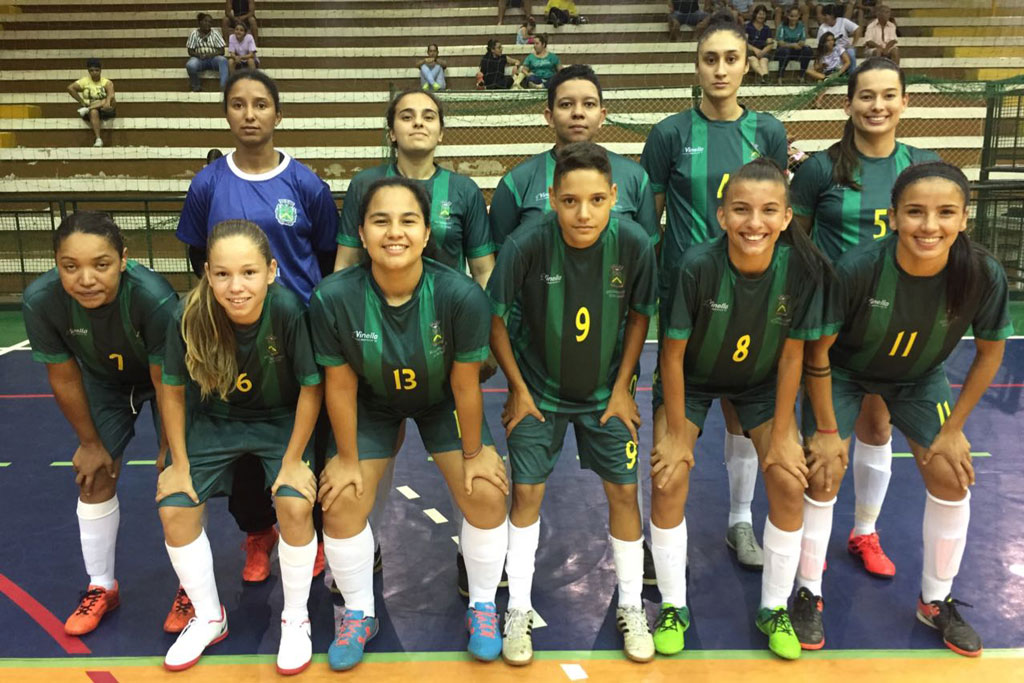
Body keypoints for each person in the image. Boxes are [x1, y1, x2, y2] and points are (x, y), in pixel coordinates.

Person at [794, 161, 1010, 657]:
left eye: (945, 213)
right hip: (845, 372)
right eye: (915, 212)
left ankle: (935, 600)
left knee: (952, 476)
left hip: (919, 378)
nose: (929, 226)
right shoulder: (858, 268)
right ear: (892, 217)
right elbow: (818, 352)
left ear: (964, 218)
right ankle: (808, 591)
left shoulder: (981, 273)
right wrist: (827, 429)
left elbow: (991, 352)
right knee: (822, 471)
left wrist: (954, 428)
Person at [310, 177, 510, 670]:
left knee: (485, 490)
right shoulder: (333, 298)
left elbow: (466, 384)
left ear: (425, 234)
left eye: (408, 221)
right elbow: (339, 386)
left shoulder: (460, 295)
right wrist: (348, 460)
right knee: (340, 501)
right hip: (372, 404)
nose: (393, 232)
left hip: (442, 399)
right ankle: (359, 613)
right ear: (360, 231)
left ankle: (483, 605)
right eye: (380, 220)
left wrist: (473, 453)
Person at [650, 158, 832, 659]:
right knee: (669, 474)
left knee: (789, 476)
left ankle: (773, 606)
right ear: (722, 216)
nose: (755, 222)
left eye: (769, 210)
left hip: (759, 383)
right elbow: (672, 353)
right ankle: (672, 605)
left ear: (787, 217)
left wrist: (782, 435)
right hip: (691, 380)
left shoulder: (801, 271)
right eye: (742, 210)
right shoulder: (696, 265)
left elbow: (794, 355)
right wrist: (673, 435)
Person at [174, 69, 338, 623]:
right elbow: (198, 257)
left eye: (260, 104)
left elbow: (323, 252)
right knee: (242, 443)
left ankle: (306, 533)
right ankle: (257, 534)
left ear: (277, 114)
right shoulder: (207, 184)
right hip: (232, 333)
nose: (249, 114)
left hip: (295, 332)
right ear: (227, 114)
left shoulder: (307, 185)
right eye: (238, 104)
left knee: (300, 439)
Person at [489, 142, 658, 665]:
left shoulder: (633, 243)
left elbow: (638, 315)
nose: (583, 213)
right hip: (538, 393)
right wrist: (517, 388)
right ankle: (517, 607)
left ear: (612, 197)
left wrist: (626, 385)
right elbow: (494, 318)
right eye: (569, 201)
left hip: (605, 396)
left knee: (625, 495)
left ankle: (630, 602)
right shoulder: (526, 243)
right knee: (527, 496)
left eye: (595, 200)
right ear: (552, 199)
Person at [334, 88, 497, 595]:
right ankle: (366, 544)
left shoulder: (464, 190)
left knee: (472, 471)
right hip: (376, 346)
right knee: (372, 459)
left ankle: (474, 560)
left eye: (429, 116)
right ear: (391, 129)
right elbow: (344, 266)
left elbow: (484, 270)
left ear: (442, 130)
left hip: (446, 351)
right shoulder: (365, 184)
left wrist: (475, 338)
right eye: (407, 116)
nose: (418, 124)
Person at [642, 11, 789, 572]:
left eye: (731, 58)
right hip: (686, 298)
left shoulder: (767, 131)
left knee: (741, 411)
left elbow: (771, 210)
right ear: (696, 66)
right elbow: (648, 220)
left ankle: (739, 521)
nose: (721, 69)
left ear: (747, 63)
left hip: (752, 293)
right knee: (673, 423)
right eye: (710, 59)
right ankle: (662, 539)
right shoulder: (670, 134)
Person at [790, 57, 940, 579]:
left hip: (899, 322)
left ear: (905, 101)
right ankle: (809, 563)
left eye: (888, 95)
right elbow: (799, 244)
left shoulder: (921, 166)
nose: (877, 105)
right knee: (825, 446)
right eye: (866, 96)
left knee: (878, 426)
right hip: (835, 327)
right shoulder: (820, 169)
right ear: (848, 103)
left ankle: (865, 532)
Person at [157, 221, 321, 674]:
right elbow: (171, 389)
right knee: (174, 505)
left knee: (293, 502)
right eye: (223, 274)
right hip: (216, 421)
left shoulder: (288, 310)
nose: (236, 287)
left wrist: (291, 461)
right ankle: (210, 615)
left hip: (279, 421)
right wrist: (179, 462)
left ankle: (295, 617)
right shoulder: (188, 315)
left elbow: (312, 387)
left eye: (248, 273)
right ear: (207, 274)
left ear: (271, 271)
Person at [22, 212, 178, 637]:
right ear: (56, 263)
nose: (85, 278)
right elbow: (64, 375)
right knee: (93, 477)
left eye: (101, 264)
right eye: (70, 266)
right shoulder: (41, 301)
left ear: (124, 260)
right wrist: (89, 442)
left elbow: (166, 381)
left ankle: (190, 587)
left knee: (179, 479)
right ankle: (102, 586)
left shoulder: (154, 298)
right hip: (103, 384)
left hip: (165, 378)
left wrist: (171, 451)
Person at [490, 64, 658, 247]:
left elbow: (648, 251)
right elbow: (501, 256)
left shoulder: (635, 176)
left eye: (589, 104)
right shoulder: (517, 181)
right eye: (566, 104)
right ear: (550, 116)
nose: (578, 113)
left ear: (602, 116)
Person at [67, 58, 116, 148]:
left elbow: (111, 94)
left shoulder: (107, 82)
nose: (94, 72)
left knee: (110, 99)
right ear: (88, 71)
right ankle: (98, 139)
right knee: (93, 111)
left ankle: (87, 109)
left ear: (100, 70)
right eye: (91, 70)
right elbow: (70, 88)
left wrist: (107, 102)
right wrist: (81, 101)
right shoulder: (85, 81)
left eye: (97, 70)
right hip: (92, 108)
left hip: (105, 108)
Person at [186, 13, 229, 93]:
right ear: (200, 22)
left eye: (210, 22)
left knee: (223, 60)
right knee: (190, 65)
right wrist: (199, 55)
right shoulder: (194, 34)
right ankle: (196, 86)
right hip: (199, 60)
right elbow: (190, 51)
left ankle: (224, 87)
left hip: (213, 59)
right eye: (205, 21)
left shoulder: (215, 33)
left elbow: (222, 51)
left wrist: (210, 55)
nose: (208, 24)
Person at [775, 5, 813, 83]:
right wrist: (792, 45)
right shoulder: (782, 26)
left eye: (796, 16)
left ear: (799, 16)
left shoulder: (801, 26)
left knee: (808, 50)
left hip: (796, 51)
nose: (794, 18)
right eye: (791, 16)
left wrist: (800, 44)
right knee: (785, 51)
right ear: (788, 16)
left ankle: (801, 75)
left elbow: (802, 40)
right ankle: (780, 76)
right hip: (783, 52)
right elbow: (781, 43)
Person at [817, 3, 860, 72]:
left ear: (832, 15)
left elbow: (857, 29)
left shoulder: (843, 21)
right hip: (831, 51)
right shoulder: (822, 27)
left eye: (825, 15)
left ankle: (852, 75)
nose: (823, 17)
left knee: (851, 52)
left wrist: (853, 44)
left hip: (845, 48)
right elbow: (820, 44)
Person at [745, 5, 775, 83]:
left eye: (763, 14)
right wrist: (756, 50)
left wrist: (763, 52)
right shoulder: (748, 27)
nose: (761, 16)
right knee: (753, 59)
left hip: (763, 51)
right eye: (759, 14)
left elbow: (770, 44)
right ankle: (764, 76)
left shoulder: (766, 29)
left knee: (764, 60)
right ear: (755, 14)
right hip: (751, 51)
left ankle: (764, 79)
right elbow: (744, 42)